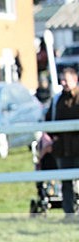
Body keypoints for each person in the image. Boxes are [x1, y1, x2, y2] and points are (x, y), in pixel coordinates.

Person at [46, 66, 79, 216]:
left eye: (66, 80)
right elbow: (49, 122)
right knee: (66, 183)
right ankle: (69, 214)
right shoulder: (57, 100)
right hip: (62, 148)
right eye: (62, 80)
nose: (63, 83)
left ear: (75, 80)